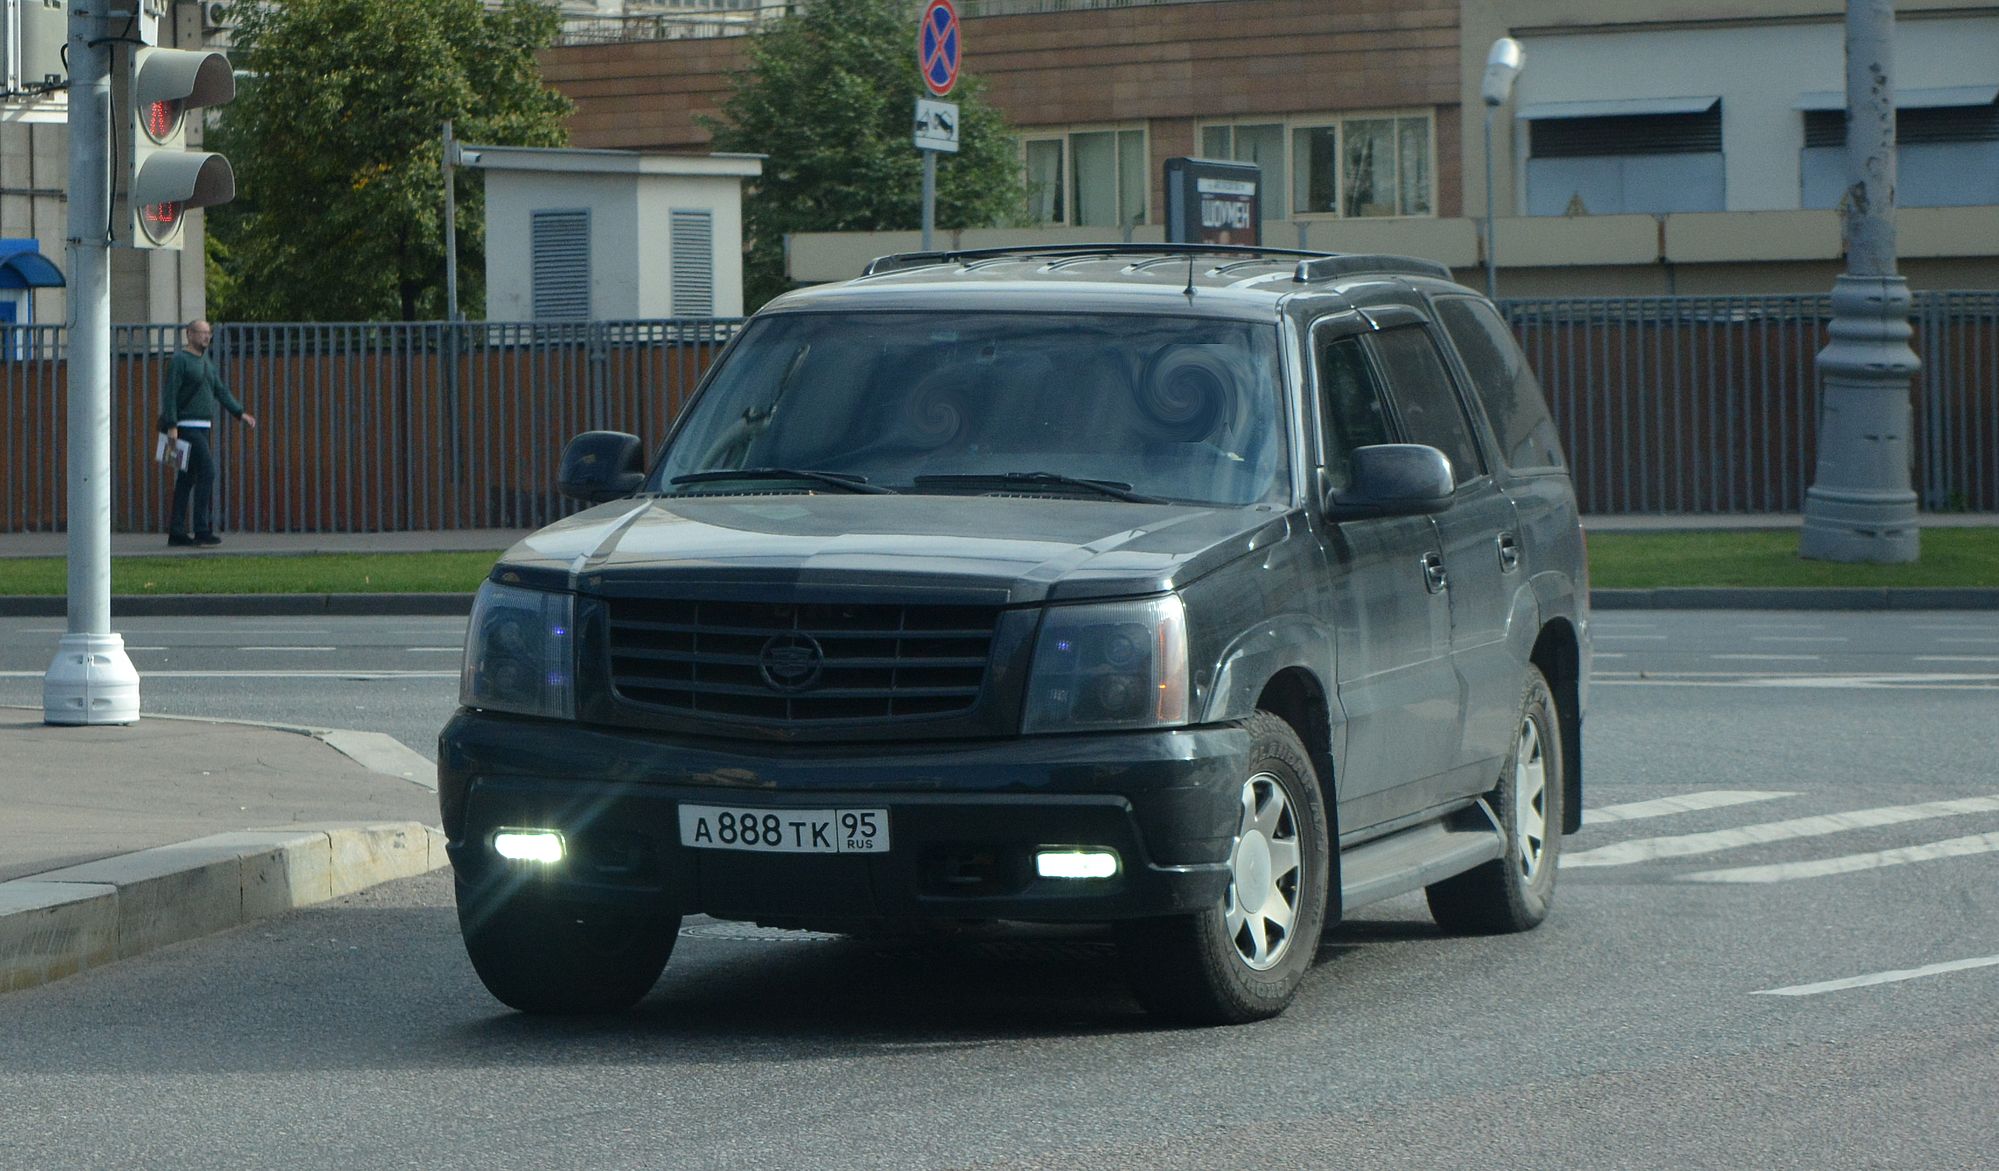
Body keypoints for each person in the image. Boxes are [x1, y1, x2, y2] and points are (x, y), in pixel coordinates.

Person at [159, 319, 255, 547]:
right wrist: (172, 426)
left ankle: (177, 532)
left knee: (186, 478)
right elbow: (170, 394)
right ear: (189, 334)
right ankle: (201, 529)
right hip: (185, 426)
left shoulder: (207, 363)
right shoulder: (180, 360)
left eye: (208, 333)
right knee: (207, 472)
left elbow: (220, 390)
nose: (206, 336)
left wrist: (239, 412)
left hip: (203, 427)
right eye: (202, 332)